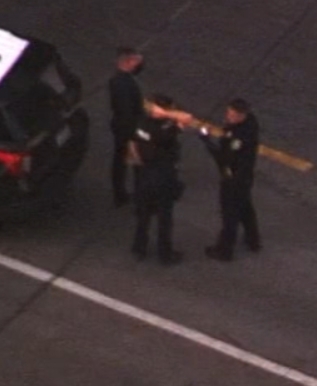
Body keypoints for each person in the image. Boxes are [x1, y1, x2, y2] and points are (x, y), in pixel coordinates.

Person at [194, 98, 261, 261]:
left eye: (232, 115)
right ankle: (253, 240)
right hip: (244, 178)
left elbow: (223, 157)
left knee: (229, 215)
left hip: (233, 178)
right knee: (245, 207)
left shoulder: (239, 138)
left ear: (241, 116)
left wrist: (206, 139)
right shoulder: (250, 124)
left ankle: (224, 250)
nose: (227, 117)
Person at [128, 94, 185, 265]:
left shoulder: (141, 122)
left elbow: (133, 144)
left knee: (144, 214)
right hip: (163, 175)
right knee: (164, 217)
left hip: (145, 173)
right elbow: (185, 119)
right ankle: (165, 254)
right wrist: (170, 116)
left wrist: (139, 163)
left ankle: (139, 248)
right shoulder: (166, 129)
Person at [107, 47, 145, 207]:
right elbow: (126, 110)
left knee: (121, 160)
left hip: (122, 126)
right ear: (128, 61)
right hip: (128, 129)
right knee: (134, 161)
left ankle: (121, 193)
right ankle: (132, 195)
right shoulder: (123, 84)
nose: (139, 65)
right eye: (136, 61)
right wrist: (133, 134)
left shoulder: (119, 80)